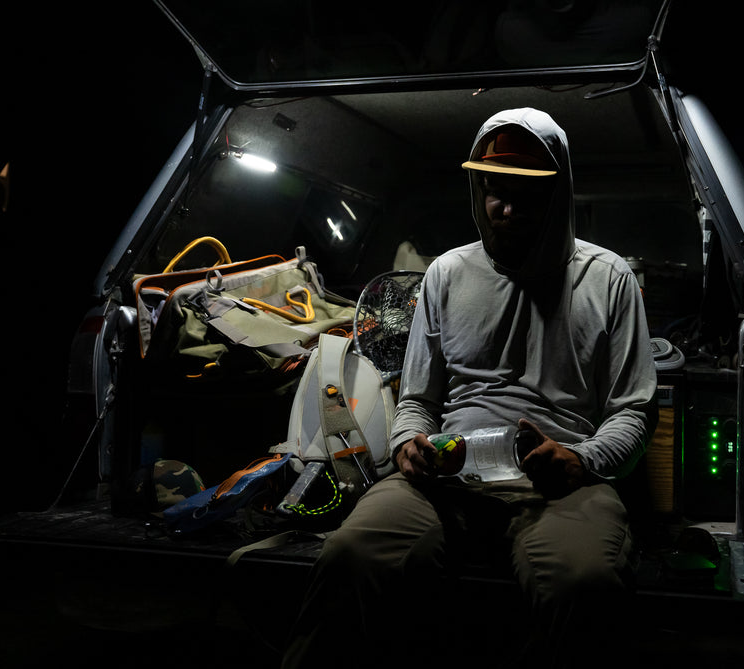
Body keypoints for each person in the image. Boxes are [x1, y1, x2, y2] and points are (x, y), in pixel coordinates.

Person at [280, 107, 658, 668]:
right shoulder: (447, 274)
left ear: (557, 192)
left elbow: (634, 411)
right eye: (494, 190)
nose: (506, 208)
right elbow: (418, 400)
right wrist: (408, 443)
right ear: (478, 189)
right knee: (352, 554)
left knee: (584, 582)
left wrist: (581, 460)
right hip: (448, 476)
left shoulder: (607, 279)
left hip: (560, 485)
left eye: (526, 194)